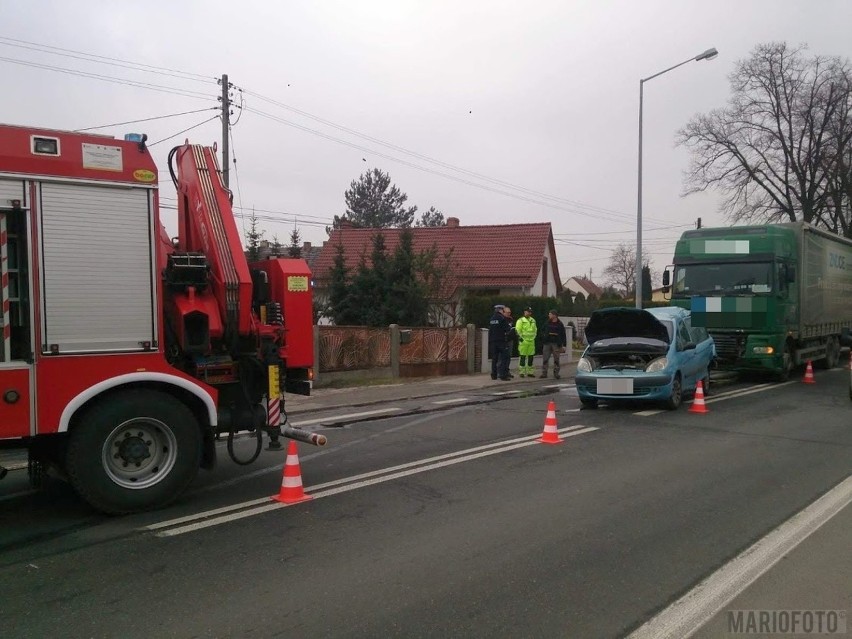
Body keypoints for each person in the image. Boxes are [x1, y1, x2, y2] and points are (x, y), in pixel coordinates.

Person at [539, 309, 566, 379]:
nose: (549, 315)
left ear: (554, 315)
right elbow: (542, 330)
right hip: (547, 343)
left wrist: (564, 345)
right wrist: (544, 336)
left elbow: (563, 335)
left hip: (556, 344)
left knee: (556, 359)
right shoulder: (547, 323)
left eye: (550, 314)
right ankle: (544, 373)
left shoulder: (560, 324)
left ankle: (556, 373)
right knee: (545, 358)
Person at [488, 304, 512, 380]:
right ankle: (503, 375)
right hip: (501, 341)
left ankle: (493, 375)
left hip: (493, 342)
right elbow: (507, 328)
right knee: (504, 357)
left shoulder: (492, 318)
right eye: (503, 310)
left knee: (494, 359)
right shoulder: (502, 318)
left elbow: (491, 330)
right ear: (500, 310)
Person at [515, 306, 538, 377]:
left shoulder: (533, 320)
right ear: (524, 312)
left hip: (531, 341)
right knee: (522, 357)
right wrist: (521, 339)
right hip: (524, 341)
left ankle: (530, 372)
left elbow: (535, 330)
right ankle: (522, 372)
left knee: (531, 357)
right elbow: (517, 330)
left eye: (530, 312)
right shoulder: (520, 320)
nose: (528, 313)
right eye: (527, 311)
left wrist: (534, 337)